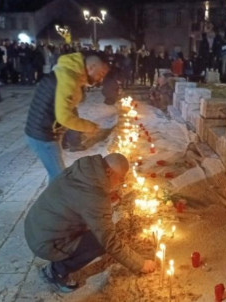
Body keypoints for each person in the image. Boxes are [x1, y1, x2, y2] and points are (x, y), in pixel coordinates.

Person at [24, 153, 157, 293]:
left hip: (36, 227)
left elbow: (78, 199)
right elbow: (109, 241)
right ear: (108, 171)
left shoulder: (83, 170)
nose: (120, 183)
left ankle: (59, 262)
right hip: (46, 244)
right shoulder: (95, 197)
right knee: (99, 242)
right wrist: (140, 264)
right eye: (120, 179)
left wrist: (106, 195)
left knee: (96, 228)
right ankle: (56, 272)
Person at [24, 52, 109, 181]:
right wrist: (89, 127)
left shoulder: (69, 71)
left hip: (42, 129)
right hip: (43, 135)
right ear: (91, 67)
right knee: (59, 178)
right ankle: (54, 200)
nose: (100, 79)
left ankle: (55, 198)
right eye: (100, 74)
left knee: (57, 175)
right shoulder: (69, 80)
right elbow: (64, 117)